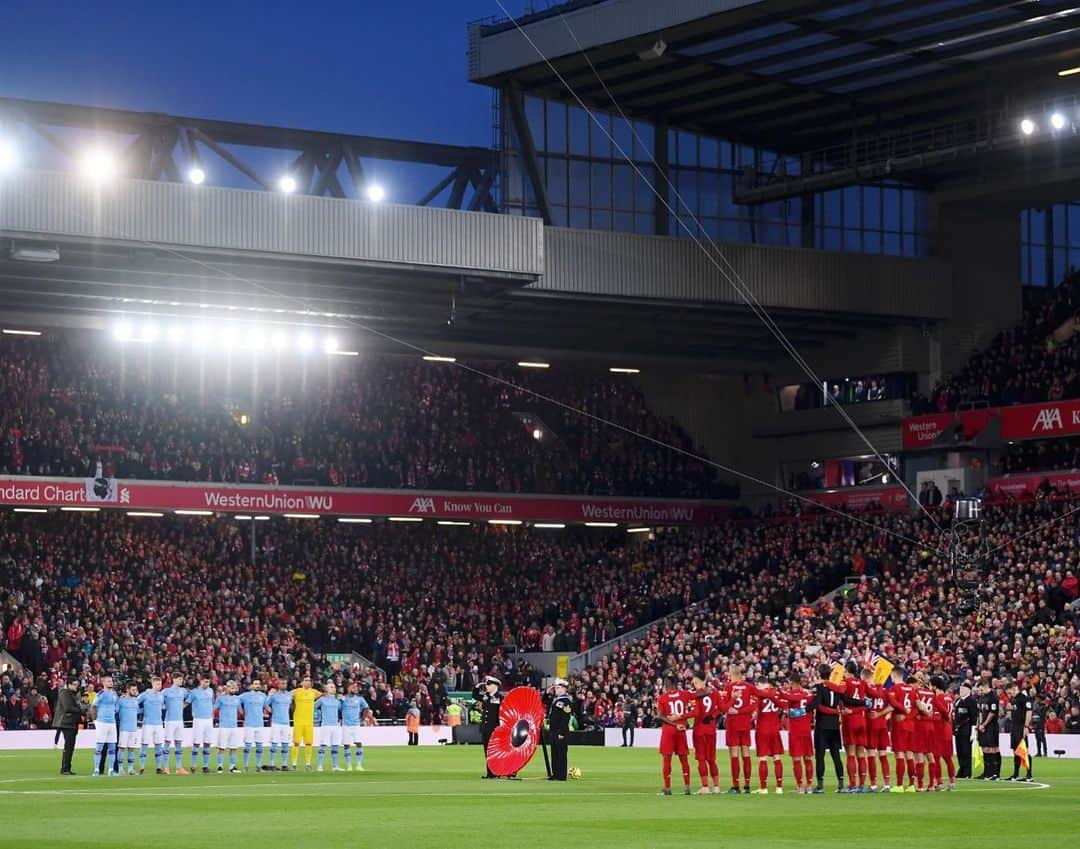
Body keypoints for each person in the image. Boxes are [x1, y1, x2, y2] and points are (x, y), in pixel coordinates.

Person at [810, 664, 864, 794]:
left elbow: (816, 704)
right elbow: (848, 700)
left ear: (819, 674)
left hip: (822, 726)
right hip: (834, 727)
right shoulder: (837, 689)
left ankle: (820, 785)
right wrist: (863, 703)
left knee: (820, 756)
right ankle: (841, 785)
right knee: (836, 756)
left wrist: (804, 710)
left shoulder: (820, 688)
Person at [776, 673, 815, 794]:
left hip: (795, 731)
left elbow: (783, 697)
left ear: (792, 682)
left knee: (797, 759)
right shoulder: (808, 694)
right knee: (808, 758)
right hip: (807, 730)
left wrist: (778, 689)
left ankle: (800, 786)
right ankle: (809, 786)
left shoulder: (790, 695)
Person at [655, 675, 693, 796]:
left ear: (667, 684)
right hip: (681, 729)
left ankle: (667, 788)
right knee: (684, 758)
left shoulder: (663, 698)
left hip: (669, 730)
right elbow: (699, 695)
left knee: (667, 758)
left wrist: (673, 724)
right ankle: (687, 787)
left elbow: (660, 716)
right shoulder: (684, 694)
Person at [721, 666, 756, 794]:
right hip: (745, 723)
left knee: (734, 754)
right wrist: (742, 711)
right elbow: (753, 705)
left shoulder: (728, 687)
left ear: (731, 674)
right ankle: (747, 785)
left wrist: (734, 708)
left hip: (733, 724)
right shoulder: (749, 687)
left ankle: (735, 786)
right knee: (746, 753)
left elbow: (724, 707)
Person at [749, 680, 785, 795]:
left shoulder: (758, 695)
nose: (757, 687)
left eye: (758, 685)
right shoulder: (776, 693)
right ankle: (779, 788)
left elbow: (753, 709)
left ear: (762, 684)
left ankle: (763, 788)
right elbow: (784, 706)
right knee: (777, 757)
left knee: (763, 758)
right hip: (775, 729)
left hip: (762, 729)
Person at [690, 676, 723, 794]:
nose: (693, 683)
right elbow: (721, 708)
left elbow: (696, 712)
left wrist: (681, 717)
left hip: (699, 730)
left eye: (694, 681)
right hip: (711, 730)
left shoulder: (697, 694)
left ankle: (705, 787)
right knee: (712, 759)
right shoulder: (715, 692)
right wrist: (713, 716)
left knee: (701, 759)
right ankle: (716, 787)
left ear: (698, 681)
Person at [885, 668, 917, 792]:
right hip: (910, 725)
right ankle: (911, 785)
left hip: (899, 724)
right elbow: (916, 707)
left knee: (899, 754)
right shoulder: (912, 690)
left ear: (894, 675)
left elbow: (892, 702)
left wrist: (903, 711)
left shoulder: (894, 689)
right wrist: (908, 714)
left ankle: (899, 785)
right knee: (909, 754)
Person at [863, 669, 893, 792]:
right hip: (882, 725)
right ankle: (887, 784)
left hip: (871, 725)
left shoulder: (865, 690)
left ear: (864, 678)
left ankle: (874, 784)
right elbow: (891, 706)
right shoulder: (884, 690)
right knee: (883, 754)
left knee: (871, 754)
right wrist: (881, 714)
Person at [472, 675, 503, 779]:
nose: (487, 686)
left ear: (495, 685)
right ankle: (490, 773)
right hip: (485, 728)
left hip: (494, 729)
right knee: (487, 752)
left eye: (489, 684)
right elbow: (475, 696)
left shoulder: (500, 698)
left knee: (493, 752)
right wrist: (477, 686)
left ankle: (496, 772)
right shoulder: (486, 696)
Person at [930, 675, 957, 791]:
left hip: (939, 729)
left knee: (936, 758)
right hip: (948, 730)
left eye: (931, 685)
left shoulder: (938, 698)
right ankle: (952, 782)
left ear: (935, 686)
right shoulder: (949, 697)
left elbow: (942, 713)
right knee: (948, 758)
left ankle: (939, 782)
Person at [185, 675, 216, 773]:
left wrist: (213, 716)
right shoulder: (194, 692)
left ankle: (205, 766)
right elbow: (187, 703)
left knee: (207, 742)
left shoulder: (211, 691)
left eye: (208, 682)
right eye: (205, 682)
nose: (206, 684)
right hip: (198, 719)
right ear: (201, 681)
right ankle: (193, 765)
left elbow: (212, 703)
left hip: (209, 719)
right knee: (197, 742)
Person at [53, 676, 83, 776]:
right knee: (69, 746)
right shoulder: (65, 693)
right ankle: (65, 768)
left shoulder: (70, 693)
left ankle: (66, 768)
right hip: (66, 723)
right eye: (74, 685)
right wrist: (79, 710)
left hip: (71, 723)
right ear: (68, 684)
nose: (76, 687)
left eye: (76, 685)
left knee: (70, 746)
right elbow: (68, 707)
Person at [90, 674, 119, 777]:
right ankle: (96, 769)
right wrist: (95, 721)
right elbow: (93, 707)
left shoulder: (115, 694)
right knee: (99, 747)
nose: (111, 683)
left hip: (112, 723)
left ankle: (111, 770)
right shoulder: (101, 694)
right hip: (102, 722)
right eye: (108, 681)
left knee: (112, 747)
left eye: (111, 681)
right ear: (104, 683)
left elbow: (116, 707)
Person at [290, 675, 320, 771]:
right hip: (298, 721)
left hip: (309, 722)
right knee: (296, 743)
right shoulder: (296, 692)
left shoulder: (314, 692)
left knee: (309, 743)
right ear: (301, 682)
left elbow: (324, 695)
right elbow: (286, 695)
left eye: (309, 680)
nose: (308, 682)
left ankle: (308, 764)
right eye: (306, 680)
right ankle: (294, 764)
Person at [138, 676, 167, 775]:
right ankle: (142, 768)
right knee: (144, 745)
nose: (159, 686)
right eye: (157, 684)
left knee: (158, 745)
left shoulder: (161, 695)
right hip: (147, 724)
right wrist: (141, 711)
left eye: (160, 684)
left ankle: (159, 768)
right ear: (152, 684)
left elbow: (162, 707)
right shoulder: (145, 694)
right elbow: (135, 703)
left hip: (159, 724)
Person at [1006, 680, 1033, 782]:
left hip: (1021, 727)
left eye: (1009, 692)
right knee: (1015, 751)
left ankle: (1029, 775)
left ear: (1014, 688)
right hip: (1014, 727)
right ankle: (1015, 774)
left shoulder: (1024, 698)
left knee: (1024, 750)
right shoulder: (1014, 700)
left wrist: (1026, 726)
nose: (1009, 694)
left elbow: (1029, 712)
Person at [547, 678, 573, 781]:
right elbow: (545, 700)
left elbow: (565, 717)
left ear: (563, 689)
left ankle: (561, 775)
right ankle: (555, 773)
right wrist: (547, 693)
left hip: (560, 731)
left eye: (558, 688)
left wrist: (562, 732)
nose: (556, 690)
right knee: (554, 753)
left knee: (561, 753)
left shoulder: (566, 701)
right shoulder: (556, 699)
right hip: (553, 730)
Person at [239, 679, 268, 773]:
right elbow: (236, 700)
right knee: (247, 746)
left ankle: (258, 766)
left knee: (259, 746)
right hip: (249, 724)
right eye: (255, 684)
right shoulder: (245, 695)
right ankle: (246, 766)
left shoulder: (263, 696)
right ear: (252, 685)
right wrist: (240, 710)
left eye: (259, 684)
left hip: (259, 724)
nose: (257, 685)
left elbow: (266, 706)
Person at [214, 680, 243, 774]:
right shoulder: (220, 698)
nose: (233, 689)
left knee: (233, 748)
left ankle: (232, 767)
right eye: (231, 688)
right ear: (227, 688)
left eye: (234, 688)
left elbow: (240, 711)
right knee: (221, 748)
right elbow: (214, 709)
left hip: (234, 726)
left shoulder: (237, 699)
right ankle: (220, 766)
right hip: (224, 726)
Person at [314, 682, 344, 772]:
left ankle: (335, 766)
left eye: (334, 687)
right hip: (326, 725)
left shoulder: (337, 700)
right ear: (326, 689)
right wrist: (318, 716)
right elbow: (313, 707)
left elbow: (341, 709)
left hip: (335, 725)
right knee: (323, 745)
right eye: (331, 687)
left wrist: (342, 700)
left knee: (335, 746)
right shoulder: (322, 699)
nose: (334, 688)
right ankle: (319, 766)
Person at [975, 679, 1001, 780]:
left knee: (993, 748)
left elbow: (992, 713)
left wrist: (984, 724)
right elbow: (980, 712)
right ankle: (987, 772)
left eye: (981, 690)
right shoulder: (982, 698)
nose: (980, 692)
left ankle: (995, 773)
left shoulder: (993, 697)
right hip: (983, 727)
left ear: (986, 686)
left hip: (991, 727)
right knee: (985, 748)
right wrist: (979, 725)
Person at [162, 675, 189, 774]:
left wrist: (185, 705)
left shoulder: (183, 691)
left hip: (179, 720)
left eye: (182, 679)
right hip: (170, 720)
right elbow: (158, 699)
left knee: (178, 743)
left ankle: (179, 768)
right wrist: (163, 706)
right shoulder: (166, 691)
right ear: (174, 680)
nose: (181, 680)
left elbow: (191, 696)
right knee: (167, 742)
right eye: (179, 679)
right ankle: (166, 767)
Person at [341, 681, 368, 772]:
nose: (355, 689)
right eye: (353, 687)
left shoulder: (360, 699)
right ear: (348, 688)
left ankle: (359, 765)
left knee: (359, 743)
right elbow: (337, 706)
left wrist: (362, 719)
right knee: (346, 745)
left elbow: (366, 708)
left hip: (356, 725)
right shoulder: (343, 698)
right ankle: (349, 766)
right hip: (346, 725)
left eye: (356, 688)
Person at [265, 682, 293, 771]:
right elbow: (265, 704)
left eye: (285, 683)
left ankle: (284, 765)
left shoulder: (289, 695)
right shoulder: (274, 695)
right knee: (274, 743)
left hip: (286, 723)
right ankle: (272, 764)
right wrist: (271, 711)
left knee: (285, 743)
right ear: (278, 685)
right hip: (276, 722)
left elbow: (289, 706)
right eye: (281, 684)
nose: (283, 685)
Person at [117, 683, 142, 776]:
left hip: (134, 729)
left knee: (132, 749)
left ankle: (130, 769)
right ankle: (120, 769)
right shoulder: (121, 700)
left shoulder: (136, 701)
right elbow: (116, 711)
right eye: (133, 690)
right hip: (124, 728)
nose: (135, 691)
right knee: (122, 748)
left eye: (135, 690)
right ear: (127, 690)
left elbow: (138, 712)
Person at [953, 683, 976, 779]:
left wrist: (973, 731)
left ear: (968, 690)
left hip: (966, 728)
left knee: (966, 751)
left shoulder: (971, 701)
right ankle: (961, 769)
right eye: (960, 689)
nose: (961, 691)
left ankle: (967, 771)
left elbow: (973, 717)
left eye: (963, 689)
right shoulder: (958, 701)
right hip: (958, 729)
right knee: (959, 751)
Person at [1031, 691, 1047, 758]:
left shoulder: (1043, 707)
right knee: (1037, 739)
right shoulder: (1036, 706)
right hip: (1036, 724)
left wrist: (1036, 709)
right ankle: (1039, 752)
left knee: (1042, 738)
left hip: (1040, 724)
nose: (1036, 700)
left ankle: (1045, 752)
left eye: (1037, 699)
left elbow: (1041, 715)